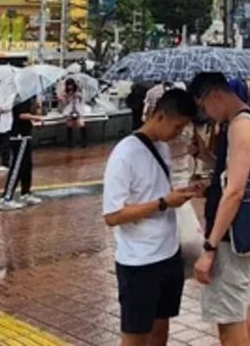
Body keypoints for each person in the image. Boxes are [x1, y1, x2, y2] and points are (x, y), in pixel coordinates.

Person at [103, 87, 200, 346]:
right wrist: (162, 203)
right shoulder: (124, 154)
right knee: (135, 336)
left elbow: (157, 192)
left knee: (160, 330)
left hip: (168, 255)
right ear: (160, 116)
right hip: (139, 262)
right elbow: (112, 215)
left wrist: (180, 194)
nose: (178, 134)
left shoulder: (162, 148)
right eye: (177, 127)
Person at [187, 72, 250, 346]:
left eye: (203, 106)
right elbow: (232, 174)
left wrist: (209, 249)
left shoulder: (240, 126)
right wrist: (207, 157)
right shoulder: (247, 121)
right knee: (244, 321)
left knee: (230, 329)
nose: (205, 114)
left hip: (230, 239)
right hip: (243, 235)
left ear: (215, 96)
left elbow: (234, 191)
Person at [0, 97, 45, 211]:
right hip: (19, 137)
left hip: (25, 135)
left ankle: (25, 193)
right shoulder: (21, 98)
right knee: (17, 167)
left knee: (27, 166)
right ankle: (6, 198)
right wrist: (36, 117)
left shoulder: (27, 98)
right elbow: (21, 115)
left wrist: (36, 109)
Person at [61, 78, 89, 149]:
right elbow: (64, 103)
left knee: (81, 124)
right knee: (69, 124)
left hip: (77, 109)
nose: (70, 87)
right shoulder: (65, 92)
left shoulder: (78, 91)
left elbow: (82, 100)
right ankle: (69, 142)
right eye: (68, 85)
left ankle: (84, 141)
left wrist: (78, 96)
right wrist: (67, 97)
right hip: (69, 110)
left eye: (71, 85)